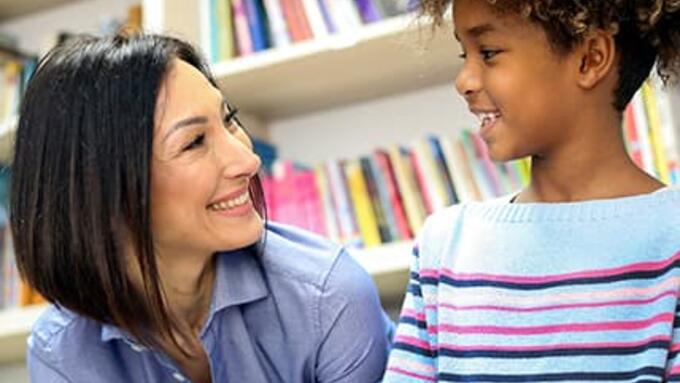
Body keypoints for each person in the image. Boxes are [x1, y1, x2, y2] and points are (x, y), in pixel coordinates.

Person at [11, 33, 393, 383]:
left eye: (229, 120)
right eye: (194, 142)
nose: (248, 160)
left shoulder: (328, 297)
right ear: (100, 191)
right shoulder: (60, 353)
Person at [384, 0, 680, 381]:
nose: (464, 81)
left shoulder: (672, 238)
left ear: (590, 58)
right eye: (465, 53)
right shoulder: (445, 245)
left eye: (488, 53)